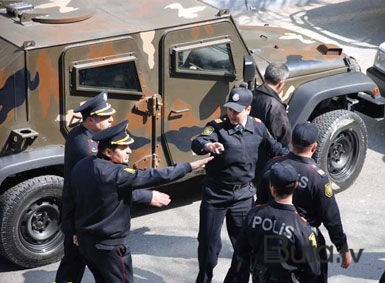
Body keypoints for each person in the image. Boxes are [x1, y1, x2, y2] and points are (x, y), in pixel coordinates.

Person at [71, 120, 213, 282]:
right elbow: (153, 176)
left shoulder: (82, 165)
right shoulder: (116, 173)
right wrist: (189, 166)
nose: (129, 151)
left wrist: (75, 230)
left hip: (85, 242)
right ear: (109, 152)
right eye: (123, 148)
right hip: (109, 247)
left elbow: (80, 201)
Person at [56, 91, 170, 283]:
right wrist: (147, 197)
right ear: (91, 120)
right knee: (75, 265)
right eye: (106, 117)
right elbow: (107, 186)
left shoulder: (80, 132)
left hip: (79, 211)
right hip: (83, 215)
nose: (111, 120)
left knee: (73, 264)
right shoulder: (87, 148)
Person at [191, 87, 288, 283]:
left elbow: (275, 149)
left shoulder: (258, 127)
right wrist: (209, 146)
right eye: (230, 109)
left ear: (248, 110)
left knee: (244, 248)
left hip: (243, 196)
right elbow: (199, 142)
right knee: (208, 247)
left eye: (237, 110)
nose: (232, 114)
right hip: (216, 195)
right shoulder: (217, 127)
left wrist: (298, 157)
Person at [257, 122, 352, 282]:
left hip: (271, 234)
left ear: (291, 142)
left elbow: (260, 203)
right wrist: (342, 248)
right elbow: (331, 218)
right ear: (314, 147)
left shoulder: (273, 166)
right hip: (306, 239)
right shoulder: (318, 178)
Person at [231, 162, 321, 282]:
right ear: (296, 186)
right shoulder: (301, 227)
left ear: (272, 189)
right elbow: (314, 269)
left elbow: (241, 251)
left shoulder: (254, 214)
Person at [250, 62, 291, 147]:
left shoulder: (250, 95)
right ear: (280, 83)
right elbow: (284, 139)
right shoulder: (275, 106)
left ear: (265, 76)